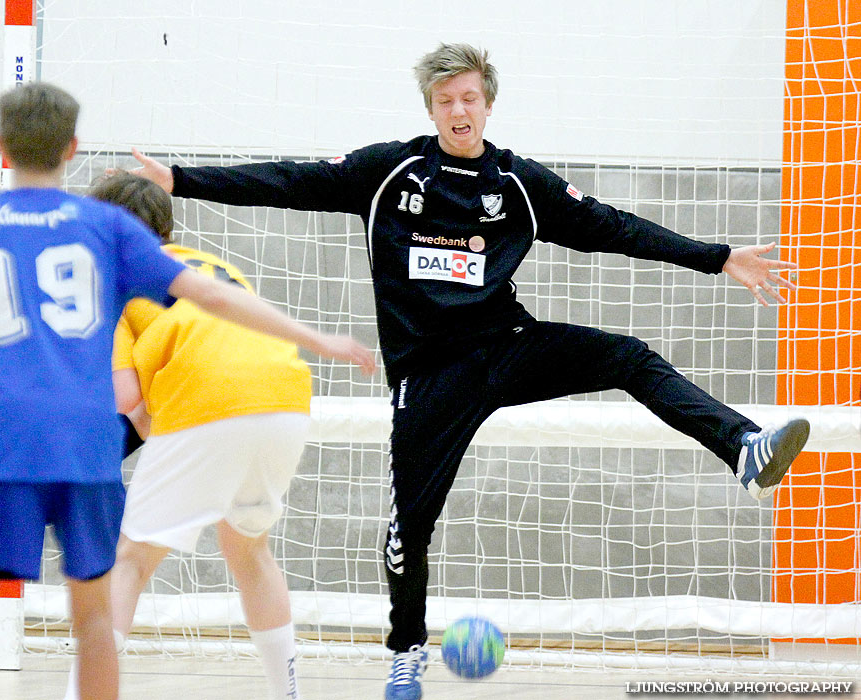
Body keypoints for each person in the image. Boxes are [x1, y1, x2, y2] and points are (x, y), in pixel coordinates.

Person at [121, 43, 809, 700]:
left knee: (627, 355)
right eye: (447, 99)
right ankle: (405, 651)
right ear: (430, 108)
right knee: (405, 534)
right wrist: (181, 180)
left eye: (471, 98)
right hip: (429, 374)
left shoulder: (516, 182)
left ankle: (742, 446)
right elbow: (291, 183)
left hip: (507, 346)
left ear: (487, 106)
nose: (460, 110)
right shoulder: (390, 172)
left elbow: (612, 227)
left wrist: (718, 256)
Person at [0, 83, 374, 700]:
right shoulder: (155, 249)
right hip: (232, 410)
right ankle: (287, 690)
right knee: (186, 580)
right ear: (72, 146)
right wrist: (321, 340)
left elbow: (121, 393)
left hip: (31, 435)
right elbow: (216, 302)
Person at [60, 172, 314, 700]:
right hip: (287, 399)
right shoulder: (212, 266)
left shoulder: (113, 282)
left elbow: (127, 398)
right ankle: (288, 694)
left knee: (129, 559)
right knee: (249, 551)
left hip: (213, 403)